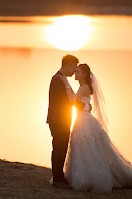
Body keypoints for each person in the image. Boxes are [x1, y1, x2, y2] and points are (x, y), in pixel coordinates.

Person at [59, 63, 132, 193]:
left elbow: (73, 100)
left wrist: (67, 86)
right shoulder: (82, 87)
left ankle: (89, 177)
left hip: (83, 121)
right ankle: (83, 174)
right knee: (83, 148)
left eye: (78, 72)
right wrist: (82, 105)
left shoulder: (83, 87)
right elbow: (78, 102)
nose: (76, 74)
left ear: (84, 74)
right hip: (81, 118)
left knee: (86, 147)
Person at [46, 55, 91, 188]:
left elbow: (71, 99)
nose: (74, 71)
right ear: (68, 65)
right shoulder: (58, 80)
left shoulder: (62, 79)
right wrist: (84, 106)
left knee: (62, 147)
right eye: (73, 68)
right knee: (59, 147)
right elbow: (66, 101)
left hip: (62, 119)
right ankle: (57, 179)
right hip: (57, 120)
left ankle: (59, 176)